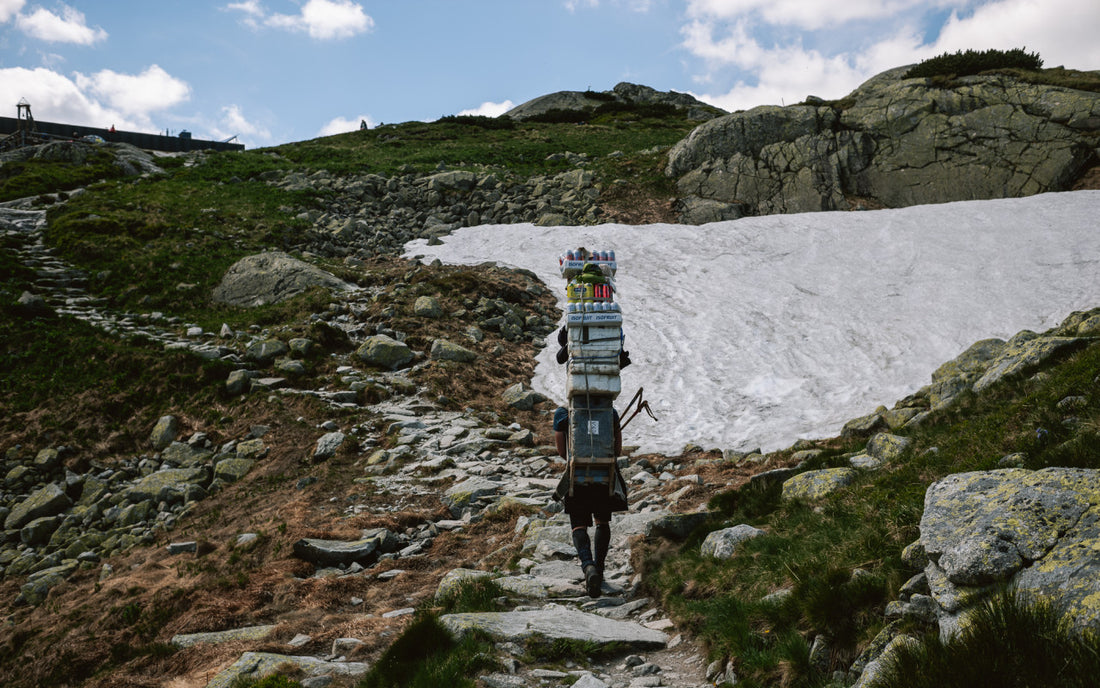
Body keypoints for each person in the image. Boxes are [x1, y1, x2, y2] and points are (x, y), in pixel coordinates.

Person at [553, 405, 626, 598]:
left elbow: (562, 451)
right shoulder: (611, 413)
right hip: (604, 476)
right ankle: (599, 571)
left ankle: (588, 566)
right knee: (602, 521)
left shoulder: (563, 414)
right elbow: (617, 449)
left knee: (578, 526)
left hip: (577, 477)